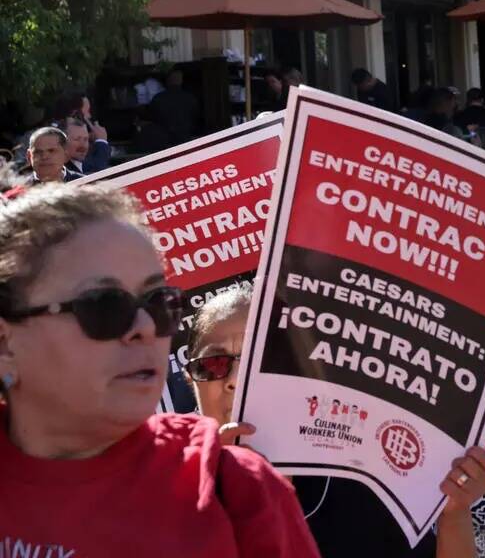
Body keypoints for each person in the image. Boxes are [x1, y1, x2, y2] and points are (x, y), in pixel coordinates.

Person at [186, 288, 485, 557]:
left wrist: (454, 512)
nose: (235, 381)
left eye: (262, 359)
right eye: (214, 366)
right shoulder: (168, 481)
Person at [0, 185, 319, 555]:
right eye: (104, 305)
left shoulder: (235, 489)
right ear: (6, 342)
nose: (146, 326)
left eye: (158, 302)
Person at [149, 69, 201, 145]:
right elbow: (196, 117)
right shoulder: (190, 98)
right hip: (185, 138)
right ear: (181, 80)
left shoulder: (158, 98)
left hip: (164, 140)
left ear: (167, 80)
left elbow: (153, 119)